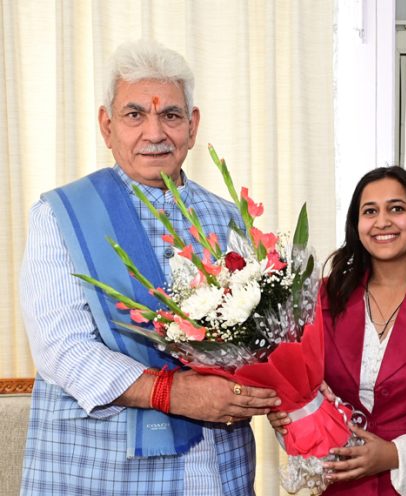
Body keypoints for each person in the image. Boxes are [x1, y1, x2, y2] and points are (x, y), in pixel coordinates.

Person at [19, 40, 280, 495]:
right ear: (107, 125)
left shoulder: (230, 218)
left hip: (218, 466)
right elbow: (62, 348)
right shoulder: (61, 215)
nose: (154, 132)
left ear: (193, 126)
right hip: (101, 469)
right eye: (135, 114)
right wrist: (174, 393)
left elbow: (263, 339)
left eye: (171, 115)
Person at [272, 166, 406, 495]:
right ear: (357, 227)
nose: (382, 221)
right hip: (342, 485)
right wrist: (290, 415)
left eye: (396, 208)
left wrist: (396, 454)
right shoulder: (321, 297)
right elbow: (298, 385)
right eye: (370, 211)